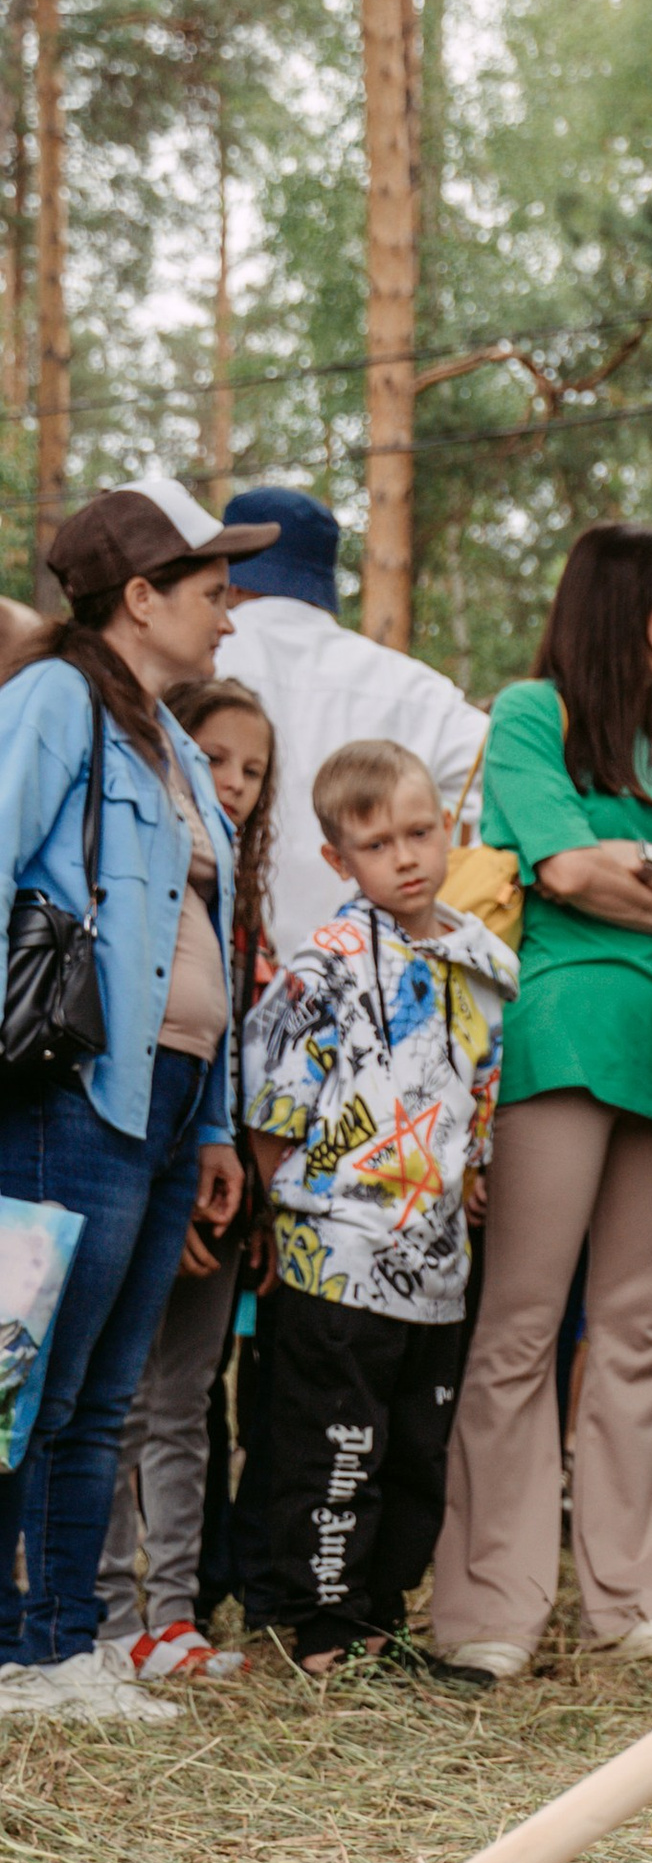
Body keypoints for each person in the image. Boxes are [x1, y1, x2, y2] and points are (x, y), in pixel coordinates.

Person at [0, 485, 268, 1722]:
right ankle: (27, 1650)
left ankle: (68, 1647)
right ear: (141, 596)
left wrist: (213, 1125)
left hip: (166, 1101)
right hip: (71, 1093)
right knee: (33, 1376)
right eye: (210, 586)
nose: (230, 608)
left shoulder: (166, 740)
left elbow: (199, 932)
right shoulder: (55, 702)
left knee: (103, 1387)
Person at [431, 523, 652, 1675]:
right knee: (522, 1327)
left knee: (640, 1328)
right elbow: (561, 872)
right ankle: (491, 1606)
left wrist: (633, 871)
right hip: (558, 1043)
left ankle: (634, 1591)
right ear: (615, 604)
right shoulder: (530, 715)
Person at [243, 741, 515, 1683]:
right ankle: (318, 1627)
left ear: (450, 830)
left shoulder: (484, 966)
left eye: (419, 832)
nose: (404, 857)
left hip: (435, 1263)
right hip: (337, 1252)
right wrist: (281, 1219)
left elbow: (480, 1090)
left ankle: (381, 1618)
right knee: (334, 1444)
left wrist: (473, 1172)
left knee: (411, 1449)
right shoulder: (326, 967)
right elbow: (275, 1109)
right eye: (375, 843)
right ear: (338, 860)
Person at [98, 672, 276, 1680]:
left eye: (256, 770)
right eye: (217, 761)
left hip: (220, 1185)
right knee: (115, 1404)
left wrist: (241, 1198)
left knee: (186, 1407)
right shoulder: (150, 908)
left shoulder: (249, 923)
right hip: (148, 1168)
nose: (237, 785)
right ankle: (105, 1615)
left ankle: (175, 1619)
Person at [217, 487, 483, 955]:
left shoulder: (196, 667)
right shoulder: (416, 689)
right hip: (377, 981)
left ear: (229, 577)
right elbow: (501, 790)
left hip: (221, 970)